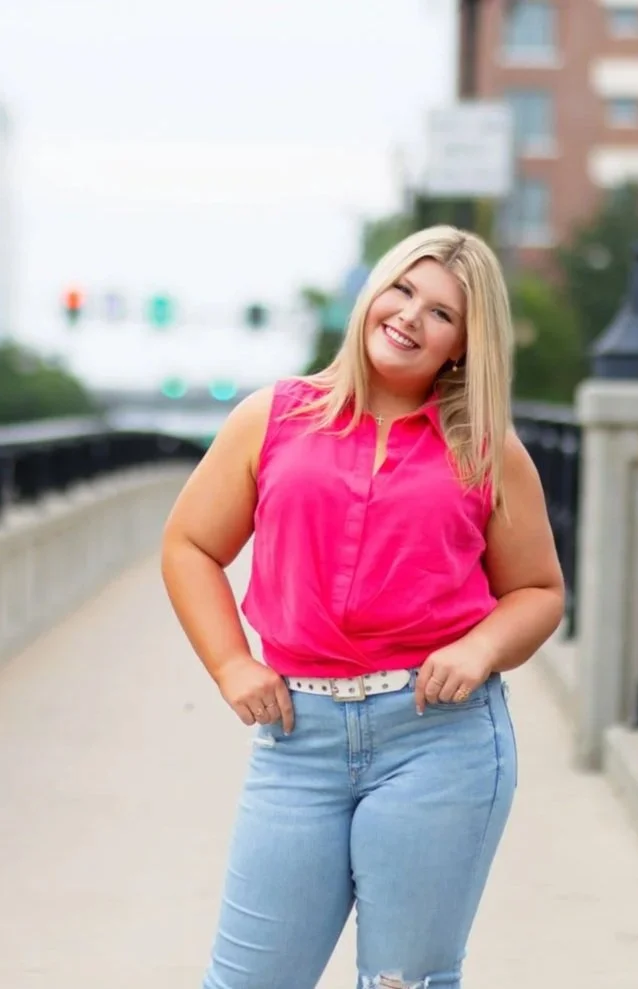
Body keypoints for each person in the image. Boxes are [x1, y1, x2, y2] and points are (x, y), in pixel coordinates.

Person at [161, 225, 564, 989]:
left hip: (439, 741)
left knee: (402, 982)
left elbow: (538, 590)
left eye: (442, 314)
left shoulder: (488, 448)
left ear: (461, 347)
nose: (412, 317)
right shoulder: (272, 417)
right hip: (297, 741)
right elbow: (188, 544)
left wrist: (480, 648)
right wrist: (230, 662)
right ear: (372, 294)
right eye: (403, 290)